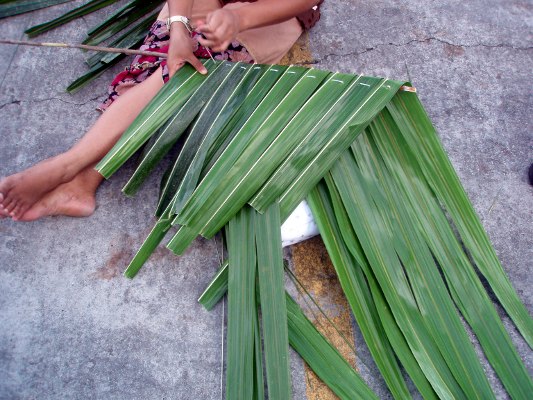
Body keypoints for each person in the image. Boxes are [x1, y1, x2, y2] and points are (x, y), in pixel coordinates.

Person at [0, 0, 321, 222]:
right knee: (166, 56)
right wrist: (179, 27)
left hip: (273, 9)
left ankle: (68, 168)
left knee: (190, 67)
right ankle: (81, 184)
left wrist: (240, 18)